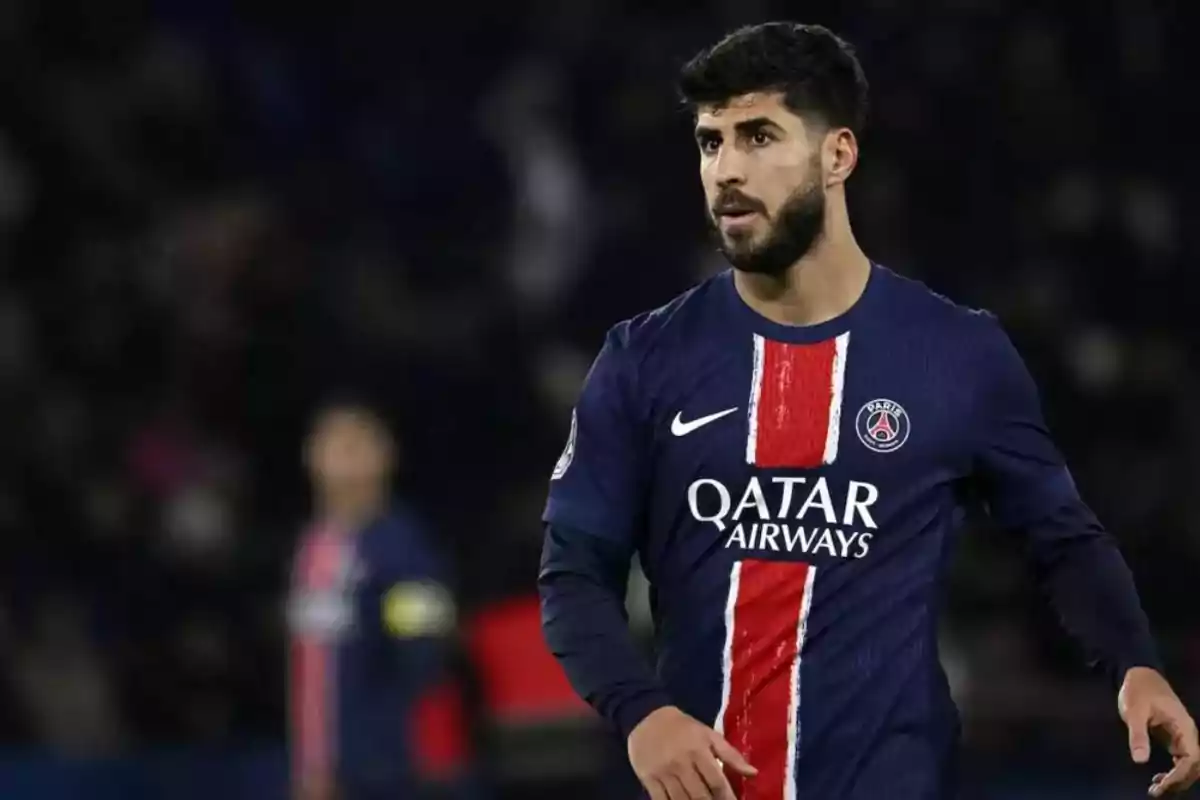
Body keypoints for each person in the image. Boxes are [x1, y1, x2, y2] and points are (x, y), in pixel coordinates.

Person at [538, 21, 1199, 800]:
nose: (726, 170)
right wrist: (642, 713)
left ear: (838, 154)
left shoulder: (958, 354)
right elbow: (574, 572)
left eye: (759, 136)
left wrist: (1135, 662)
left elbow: (1061, 538)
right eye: (711, 143)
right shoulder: (643, 359)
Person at [288, 399, 461, 800]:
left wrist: (379, 754)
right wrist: (312, 764)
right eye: (334, 444)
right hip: (323, 769)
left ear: (385, 456)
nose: (345, 457)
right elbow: (310, 666)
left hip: (388, 770)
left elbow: (425, 655)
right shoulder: (313, 548)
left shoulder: (404, 548)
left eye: (358, 444)